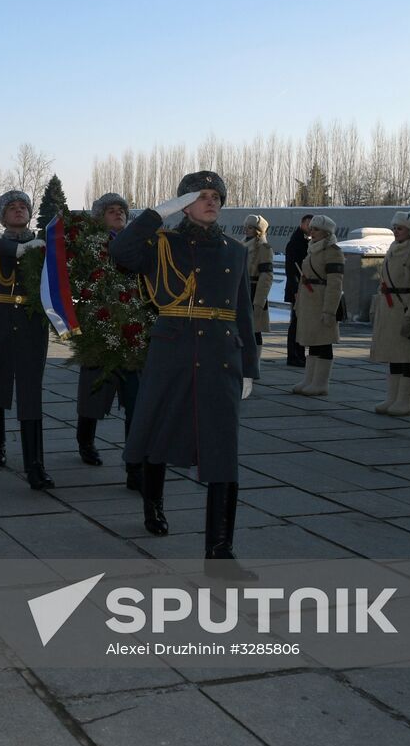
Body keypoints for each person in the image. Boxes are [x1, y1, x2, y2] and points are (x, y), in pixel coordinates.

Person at [112, 171, 258, 579]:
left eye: (217, 196)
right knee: (160, 434)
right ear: (184, 203)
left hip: (220, 357)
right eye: (202, 196)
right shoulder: (163, 244)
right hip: (173, 351)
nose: (212, 202)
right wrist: (157, 214)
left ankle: (220, 552)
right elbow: (122, 253)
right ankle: (153, 504)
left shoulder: (234, 250)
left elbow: (242, 310)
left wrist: (249, 366)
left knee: (223, 452)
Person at [0, 190, 52, 489]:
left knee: (31, 389)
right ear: (2, 215)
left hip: (32, 321)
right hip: (0, 317)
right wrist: (19, 250)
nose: (19, 211)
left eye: (23, 207)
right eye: (12, 207)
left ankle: (35, 464)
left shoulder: (42, 245)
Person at [73, 192, 142, 491]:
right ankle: (85, 441)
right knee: (93, 391)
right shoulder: (89, 245)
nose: (118, 214)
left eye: (121, 210)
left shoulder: (140, 242)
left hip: (134, 327)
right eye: (111, 210)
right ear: (99, 217)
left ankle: (134, 465)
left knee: (136, 398)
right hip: (100, 324)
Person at [368, 211, 410, 416]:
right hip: (389, 309)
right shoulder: (392, 249)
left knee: (406, 357)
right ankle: (392, 398)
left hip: (405, 307)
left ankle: (405, 402)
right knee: (393, 355)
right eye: (394, 228)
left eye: (400, 228)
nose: (396, 232)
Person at [290, 215, 344, 396]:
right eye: (311, 229)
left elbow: (335, 284)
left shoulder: (333, 251)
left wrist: (330, 310)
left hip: (322, 300)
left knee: (323, 342)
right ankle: (309, 379)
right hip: (309, 301)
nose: (311, 232)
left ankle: (321, 383)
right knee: (312, 341)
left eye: (316, 229)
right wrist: (298, 303)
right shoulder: (312, 249)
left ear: (326, 233)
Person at [243, 214, 274, 368]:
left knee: (255, 330)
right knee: (242, 329)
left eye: (250, 227)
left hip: (255, 291)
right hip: (242, 290)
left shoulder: (263, 248)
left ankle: (254, 365)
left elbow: (266, 276)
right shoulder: (242, 244)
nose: (246, 230)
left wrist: (259, 301)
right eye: (246, 226)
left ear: (258, 230)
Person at [282, 214, 312, 367]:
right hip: (297, 288)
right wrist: (295, 289)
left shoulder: (307, 241)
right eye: (308, 224)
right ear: (302, 224)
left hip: (303, 288)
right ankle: (294, 356)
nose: (311, 227)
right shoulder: (296, 242)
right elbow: (291, 269)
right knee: (296, 323)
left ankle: (299, 355)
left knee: (300, 323)